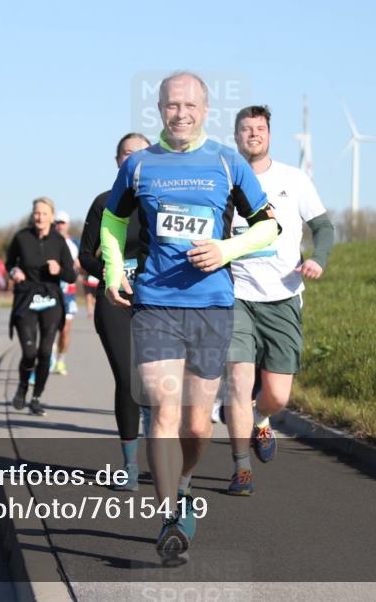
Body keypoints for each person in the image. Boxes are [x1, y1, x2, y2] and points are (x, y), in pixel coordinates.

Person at [100, 72, 279, 565]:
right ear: (159, 109)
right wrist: (114, 269)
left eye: (189, 105)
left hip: (212, 306)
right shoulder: (138, 165)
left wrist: (226, 247)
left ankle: (182, 482)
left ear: (205, 109)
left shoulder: (227, 162)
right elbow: (113, 221)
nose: (180, 113)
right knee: (162, 408)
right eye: (171, 105)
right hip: (155, 302)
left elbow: (270, 226)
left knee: (197, 426)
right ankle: (170, 515)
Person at [223, 106, 334, 496]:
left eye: (260, 129)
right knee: (238, 382)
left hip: (283, 294)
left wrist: (317, 258)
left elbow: (322, 227)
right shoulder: (223, 177)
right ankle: (241, 470)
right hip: (235, 293)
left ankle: (260, 420)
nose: (253, 134)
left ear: (269, 135)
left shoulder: (293, 178)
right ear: (235, 135)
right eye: (245, 129)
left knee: (278, 395)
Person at [80, 132, 151, 490]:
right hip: (115, 304)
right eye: (126, 154)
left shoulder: (161, 202)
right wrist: (113, 273)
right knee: (128, 379)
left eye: (141, 154)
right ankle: (130, 466)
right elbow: (85, 256)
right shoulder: (104, 203)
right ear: (117, 161)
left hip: (157, 304)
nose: (133, 160)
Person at [7, 197, 77, 416]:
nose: (40, 217)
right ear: (32, 215)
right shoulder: (21, 237)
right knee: (29, 352)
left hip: (50, 298)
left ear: (52, 216)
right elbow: (10, 262)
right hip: (27, 296)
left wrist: (59, 270)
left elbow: (72, 275)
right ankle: (22, 386)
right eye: (37, 213)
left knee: (45, 351)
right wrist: (14, 272)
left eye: (44, 213)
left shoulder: (59, 241)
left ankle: (36, 398)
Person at [53, 211, 81, 375]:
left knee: (65, 330)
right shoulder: (48, 242)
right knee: (49, 329)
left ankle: (61, 360)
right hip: (52, 291)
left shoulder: (75, 244)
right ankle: (49, 356)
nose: (59, 225)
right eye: (57, 222)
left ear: (68, 224)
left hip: (68, 293)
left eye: (62, 222)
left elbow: (84, 269)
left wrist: (80, 266)